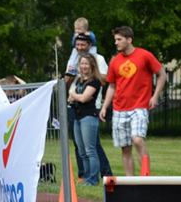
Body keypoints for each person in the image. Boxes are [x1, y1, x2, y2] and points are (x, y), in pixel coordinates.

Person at [99, 26, 167, 176]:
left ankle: (145, 175)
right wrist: (105, 106)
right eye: (115, 40)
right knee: (125, 148)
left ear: (129, 40)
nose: (116, 43)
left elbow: (162, 74)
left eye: (119, 39)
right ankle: (130, 182)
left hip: (139, 107)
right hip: (119, 109)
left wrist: (155, 96)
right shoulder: (115, 61)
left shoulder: (144, 55)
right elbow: (111, 85)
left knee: (137, 139)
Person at [66, 33, 113, 178]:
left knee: (92, 146)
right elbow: (69, 82)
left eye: (83, 44)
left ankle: (105, 173)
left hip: (91, 106)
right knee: (80, 147)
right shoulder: (73, 59)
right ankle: (83, 175)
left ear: (90, 45)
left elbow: (105, 79)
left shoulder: (98, 59)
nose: (80, 47)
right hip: (74, 106)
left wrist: (91, 74)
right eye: (77, 45)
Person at [67, 55, 105, 185]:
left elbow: (83, 98)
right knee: (82, 151)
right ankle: (86, 177)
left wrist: (74, 95)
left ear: (92, 66)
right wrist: (77, 96)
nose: (83, 66)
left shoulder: (95, 81)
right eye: (82, 64)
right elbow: (72, 99)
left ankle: (93, 179)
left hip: (88, 117)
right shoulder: (79, 81)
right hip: (77, 117)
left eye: (86, 64)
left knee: (90, 150)